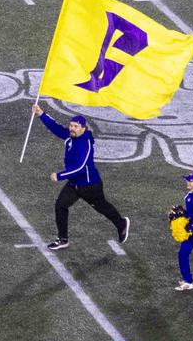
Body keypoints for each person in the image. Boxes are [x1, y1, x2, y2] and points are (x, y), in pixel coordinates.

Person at [32, 104, 129, 251]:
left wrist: (59, 176)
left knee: (101, 207)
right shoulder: (71, 137)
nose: (72, 128)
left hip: (89, 185)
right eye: (71, 125)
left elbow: (80, 167)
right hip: (74, 184)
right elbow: (56, 128)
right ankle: (63, 239)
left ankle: (121, 223)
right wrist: (41, 114)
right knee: (61, 205)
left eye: (76, 126)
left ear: (83, 129)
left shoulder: (85, 143)